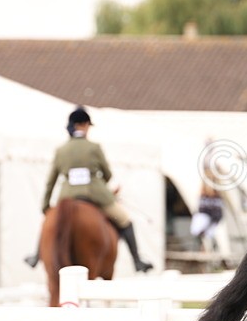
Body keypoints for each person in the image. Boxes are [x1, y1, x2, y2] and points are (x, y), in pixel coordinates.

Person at [25, 106, 154, 272]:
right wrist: (104, 189)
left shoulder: (61, 150)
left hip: (67, 195)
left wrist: (45, 207)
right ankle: (137, 261)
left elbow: (51, 181)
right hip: (95, 195)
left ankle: (36, 256)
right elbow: (107, 174)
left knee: (49, 221)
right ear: (84, 125)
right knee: (125, 220)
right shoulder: (94, 147)